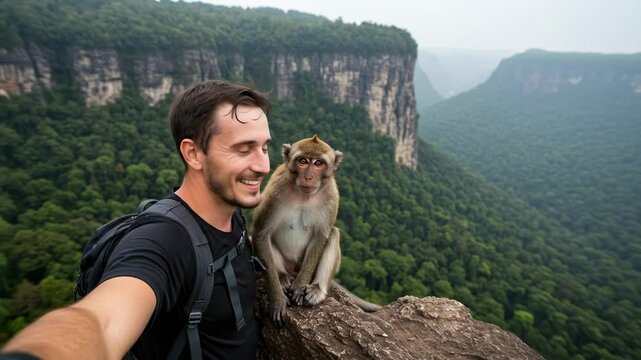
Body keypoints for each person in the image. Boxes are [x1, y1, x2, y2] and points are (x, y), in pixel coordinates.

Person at [1, 79, 272, 359]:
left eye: (264, 147)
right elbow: (103, 322)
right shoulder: (163, 241)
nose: (263, 165)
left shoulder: (232, 214)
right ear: (193, 154)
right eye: (243, 149)